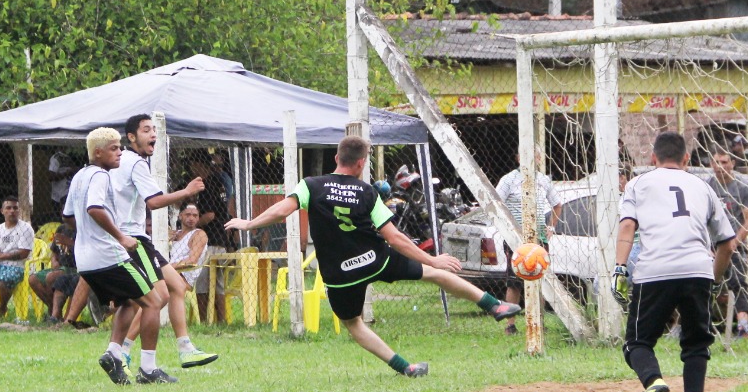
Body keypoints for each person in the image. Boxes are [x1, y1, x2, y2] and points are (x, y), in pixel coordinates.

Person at [225, 136, 522, 376]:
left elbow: (282, 210)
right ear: (361, 163)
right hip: (374, 259)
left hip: (340, 275)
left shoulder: (310, 185)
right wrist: (431, 260)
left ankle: (406, 367)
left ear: (336, 159)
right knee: (435, 275)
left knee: (354, 325)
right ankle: (494, 306)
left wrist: (249, 223)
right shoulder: (368, 192)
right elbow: (394, 237)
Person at [611, 132, 735, 392]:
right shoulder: (703, 186)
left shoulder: (638, 183)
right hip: (697, 270)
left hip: (655, 270)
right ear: (687, 161)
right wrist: (713, 279)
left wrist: (619, 268)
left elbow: (628, 225)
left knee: (636, 343)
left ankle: (654, 382)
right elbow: (727, 245)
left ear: (652, 159)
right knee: (696, 345)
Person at [113, 115, 217, 371]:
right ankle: (127, 354)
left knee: (176, 288)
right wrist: (187, 191)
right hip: (133, 240)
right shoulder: (135, 163)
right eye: (146, 130)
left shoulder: (121, 161)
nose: (153, 135)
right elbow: (154, 201)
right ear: (131, 137)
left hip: (134, 239)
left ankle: (185, 349)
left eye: (154, 130)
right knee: (155, 298)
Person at [63, 127, 166, 385]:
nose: (120, 152)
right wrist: (120, 237)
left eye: (120, 147)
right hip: (110, 255)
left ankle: (113, 354)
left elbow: (67, 216)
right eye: (114, 148)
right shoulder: (100, 175)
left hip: (85, 261)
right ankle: (149, 369)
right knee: (154, 301)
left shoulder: (79, 176)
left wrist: (87, 235)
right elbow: (94, 208)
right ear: (97, 153)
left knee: (129, 302)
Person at [494, 150, 563, 335]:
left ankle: (537, 322)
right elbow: (496, 202)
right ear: (518, 158)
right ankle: (510, 324)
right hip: (515, 239)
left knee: (539, 279)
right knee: (514, 281)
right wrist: (507, 227)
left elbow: (557, 204)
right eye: (526, 155)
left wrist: (551, 227)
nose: (531, 160)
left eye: (535, 156)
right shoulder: (509, 180)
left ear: (540, 159)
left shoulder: (543, 180)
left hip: (538, 238)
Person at [705, 148, 748, 337]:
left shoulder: (743, 187)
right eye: (716, 162)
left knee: (739, 283)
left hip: (736, 244)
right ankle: (699, 326)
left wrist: (735, 241)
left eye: (724, 162)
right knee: (704, 284)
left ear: (732, 164)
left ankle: (743, 326)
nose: (720, 167)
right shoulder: (707, 186)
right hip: (711, 246)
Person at [191, 153, 234, 324]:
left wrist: (190, 229)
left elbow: (209, 215)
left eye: (194, 165)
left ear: (201, 166)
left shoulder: (207, 185)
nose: (192, 170)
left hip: (209, 241)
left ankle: (203, 320)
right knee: (218, 283)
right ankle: (221, 320)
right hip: (221, 240)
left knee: (202, 281)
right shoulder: (220, 183)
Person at [0, 195, 35, 319]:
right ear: (2, 211)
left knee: (4, 281)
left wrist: (1, 256)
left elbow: (23, 253)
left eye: (15, 208)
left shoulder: (26, 228)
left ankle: (1, 308)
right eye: (8, 208)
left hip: (18, 268)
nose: (12, 211)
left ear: (19, 210)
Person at [28, 223, 79, 322]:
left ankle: (55, 314)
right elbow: (54, 253)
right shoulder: (61, 228)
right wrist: (54, 261)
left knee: (51, 277)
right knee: (33, 279)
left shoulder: (80, 229)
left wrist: (70, 243)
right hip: (59, 267)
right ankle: (54, 311)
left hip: (74, 268)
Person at [168, 202, 209, 292]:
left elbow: (192, 261)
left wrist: (166, 268)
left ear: (198, 218)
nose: (191, 218)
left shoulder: (199, 234)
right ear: (180, 216)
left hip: (183, 277)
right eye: (188, 215)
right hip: (169, 272)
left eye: (195, 216)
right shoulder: (175, 234)